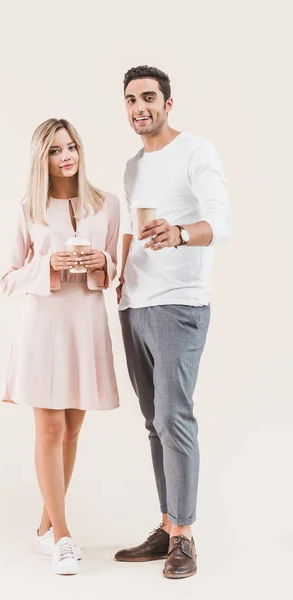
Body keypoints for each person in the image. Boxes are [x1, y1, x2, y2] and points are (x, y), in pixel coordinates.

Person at [114, 65, 232, 579]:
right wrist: (114, 276)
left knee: (173, 417)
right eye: (130, 100)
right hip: (134, 304)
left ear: (167, 102)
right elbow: (126, 228)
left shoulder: (197, 151)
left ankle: (184, 536)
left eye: (148, 98)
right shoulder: (133, 165)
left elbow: (221, 221)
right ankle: (166, 526)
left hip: (179, 303)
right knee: (152, 422)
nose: (139, 107)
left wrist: (180, 234)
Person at [0, 118, 120, 576]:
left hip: (85, 327)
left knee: (72, 432)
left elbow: (114, 272)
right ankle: (64, 537)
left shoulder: (107, 205)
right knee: (49, 431)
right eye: (55, 150)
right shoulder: (29, 208)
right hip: (42, 328)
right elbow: (9, 277)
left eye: (70, 146)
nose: (66, 156)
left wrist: (101, 262)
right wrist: (48, 264)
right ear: (42, 159)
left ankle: (45, 526)